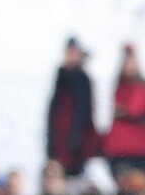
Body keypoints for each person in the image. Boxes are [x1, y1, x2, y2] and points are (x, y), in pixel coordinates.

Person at [47, 36, 99, 177]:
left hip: (77, 145)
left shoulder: (83, 79)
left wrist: (77, 140)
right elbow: (54, 112)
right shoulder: (61, 77)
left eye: (74, 52)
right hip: (59, 142)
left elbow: (85, 113)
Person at [103, 43, 145, 178]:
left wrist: (125, 112)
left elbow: (134, 111)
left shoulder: (140, 89)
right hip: (119, 152)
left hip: (137, 152)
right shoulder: (117, 89)